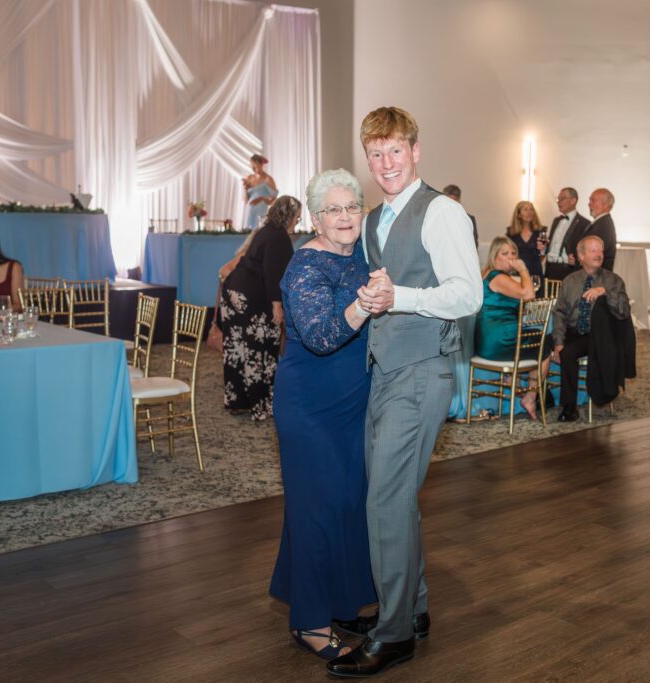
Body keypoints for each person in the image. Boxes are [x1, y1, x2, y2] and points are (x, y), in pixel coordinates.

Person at [327, 106, 482, 678]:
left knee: (385, 501)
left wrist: (402, 298)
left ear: (415, 151)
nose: (386, 162)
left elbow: (468, 295)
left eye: (396, 150)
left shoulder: (441, 211)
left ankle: (393, 635)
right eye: (376, 153)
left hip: (421, 372)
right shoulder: (374, 220)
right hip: (386, 370)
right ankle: (410, 610)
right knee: (393, 498)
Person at [269, 170, 376, 661]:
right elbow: (320, 335)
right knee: (317, 508)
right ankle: (310, 622)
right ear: (315, 219)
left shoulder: (362, 255)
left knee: (349, 501)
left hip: (353, 400)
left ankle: (342, 603)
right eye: (333, 209)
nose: (344, 216)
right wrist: (364, 305)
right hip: (310, 403)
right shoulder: (305, 265)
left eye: (351, 206)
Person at [219, 196, 298, 419]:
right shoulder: (279, 237)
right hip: (253, 299)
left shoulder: (264, 231)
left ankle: (238, 400)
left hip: (234, 293)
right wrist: (277, 306)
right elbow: (273, 273)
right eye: (297, 218)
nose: (297, 223)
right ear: (289, 216)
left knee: (236, 349)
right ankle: (260, 406)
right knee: (261, 350)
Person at [551, 235, 631, 422]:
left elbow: (624, 311)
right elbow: (559, 313)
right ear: (581, 255)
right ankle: (540, 395)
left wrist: (605, 292)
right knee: (539, 344)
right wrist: (558, 342)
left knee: (568, 353)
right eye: (593, 250)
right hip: (572, 331)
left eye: (601, 250)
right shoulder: (570, 281)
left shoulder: (613, 281)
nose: (599, 254)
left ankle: (569, 407)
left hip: (597, 336)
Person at [474, 236, 545, 420]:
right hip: (497, 341)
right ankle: (530, 396)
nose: (511, 257)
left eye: (513, 253)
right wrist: (523, 269)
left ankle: (513, 381)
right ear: (494, 256)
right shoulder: (497, 277)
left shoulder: (486, 273)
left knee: (531, 335)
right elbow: (528, 295)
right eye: (504, 253)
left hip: (484, 341)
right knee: (546, 342)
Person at [544, 187, 590, 282]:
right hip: (550, 269)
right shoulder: (556, 221)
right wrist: (544, 247)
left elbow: (585, 250)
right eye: (558, 199)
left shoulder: (584, 223)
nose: (559, 202)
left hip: (569, 270)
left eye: (562, 199)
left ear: (573, 201)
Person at [505, 200, 545, 288]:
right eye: (526, 210)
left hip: (535, 272)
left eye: (531, 210)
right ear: (519, 214)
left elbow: (543, 255)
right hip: (517, 272)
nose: (529, 212)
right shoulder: (511, 233)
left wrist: (543, 250)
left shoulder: (540, 231)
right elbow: (508, 255)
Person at [576, 188, 617, 271]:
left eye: (593, 200)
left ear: (605, 205)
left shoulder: (603, 225)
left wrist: (578, 258)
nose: (589, 204)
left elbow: (592, 254)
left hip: (594, 275)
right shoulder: (603, 222)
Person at [242, 153, 278, 230]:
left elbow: (274, 201)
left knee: (260, 230)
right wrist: (245, 189)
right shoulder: (249, 178)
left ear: (261, 164)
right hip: (249, 210)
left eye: (255, 165)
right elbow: (245, 201)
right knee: (248, 231)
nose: (254, 168)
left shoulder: (268, 179)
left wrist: (262, 198)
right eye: (252, 166)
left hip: (261, 211)